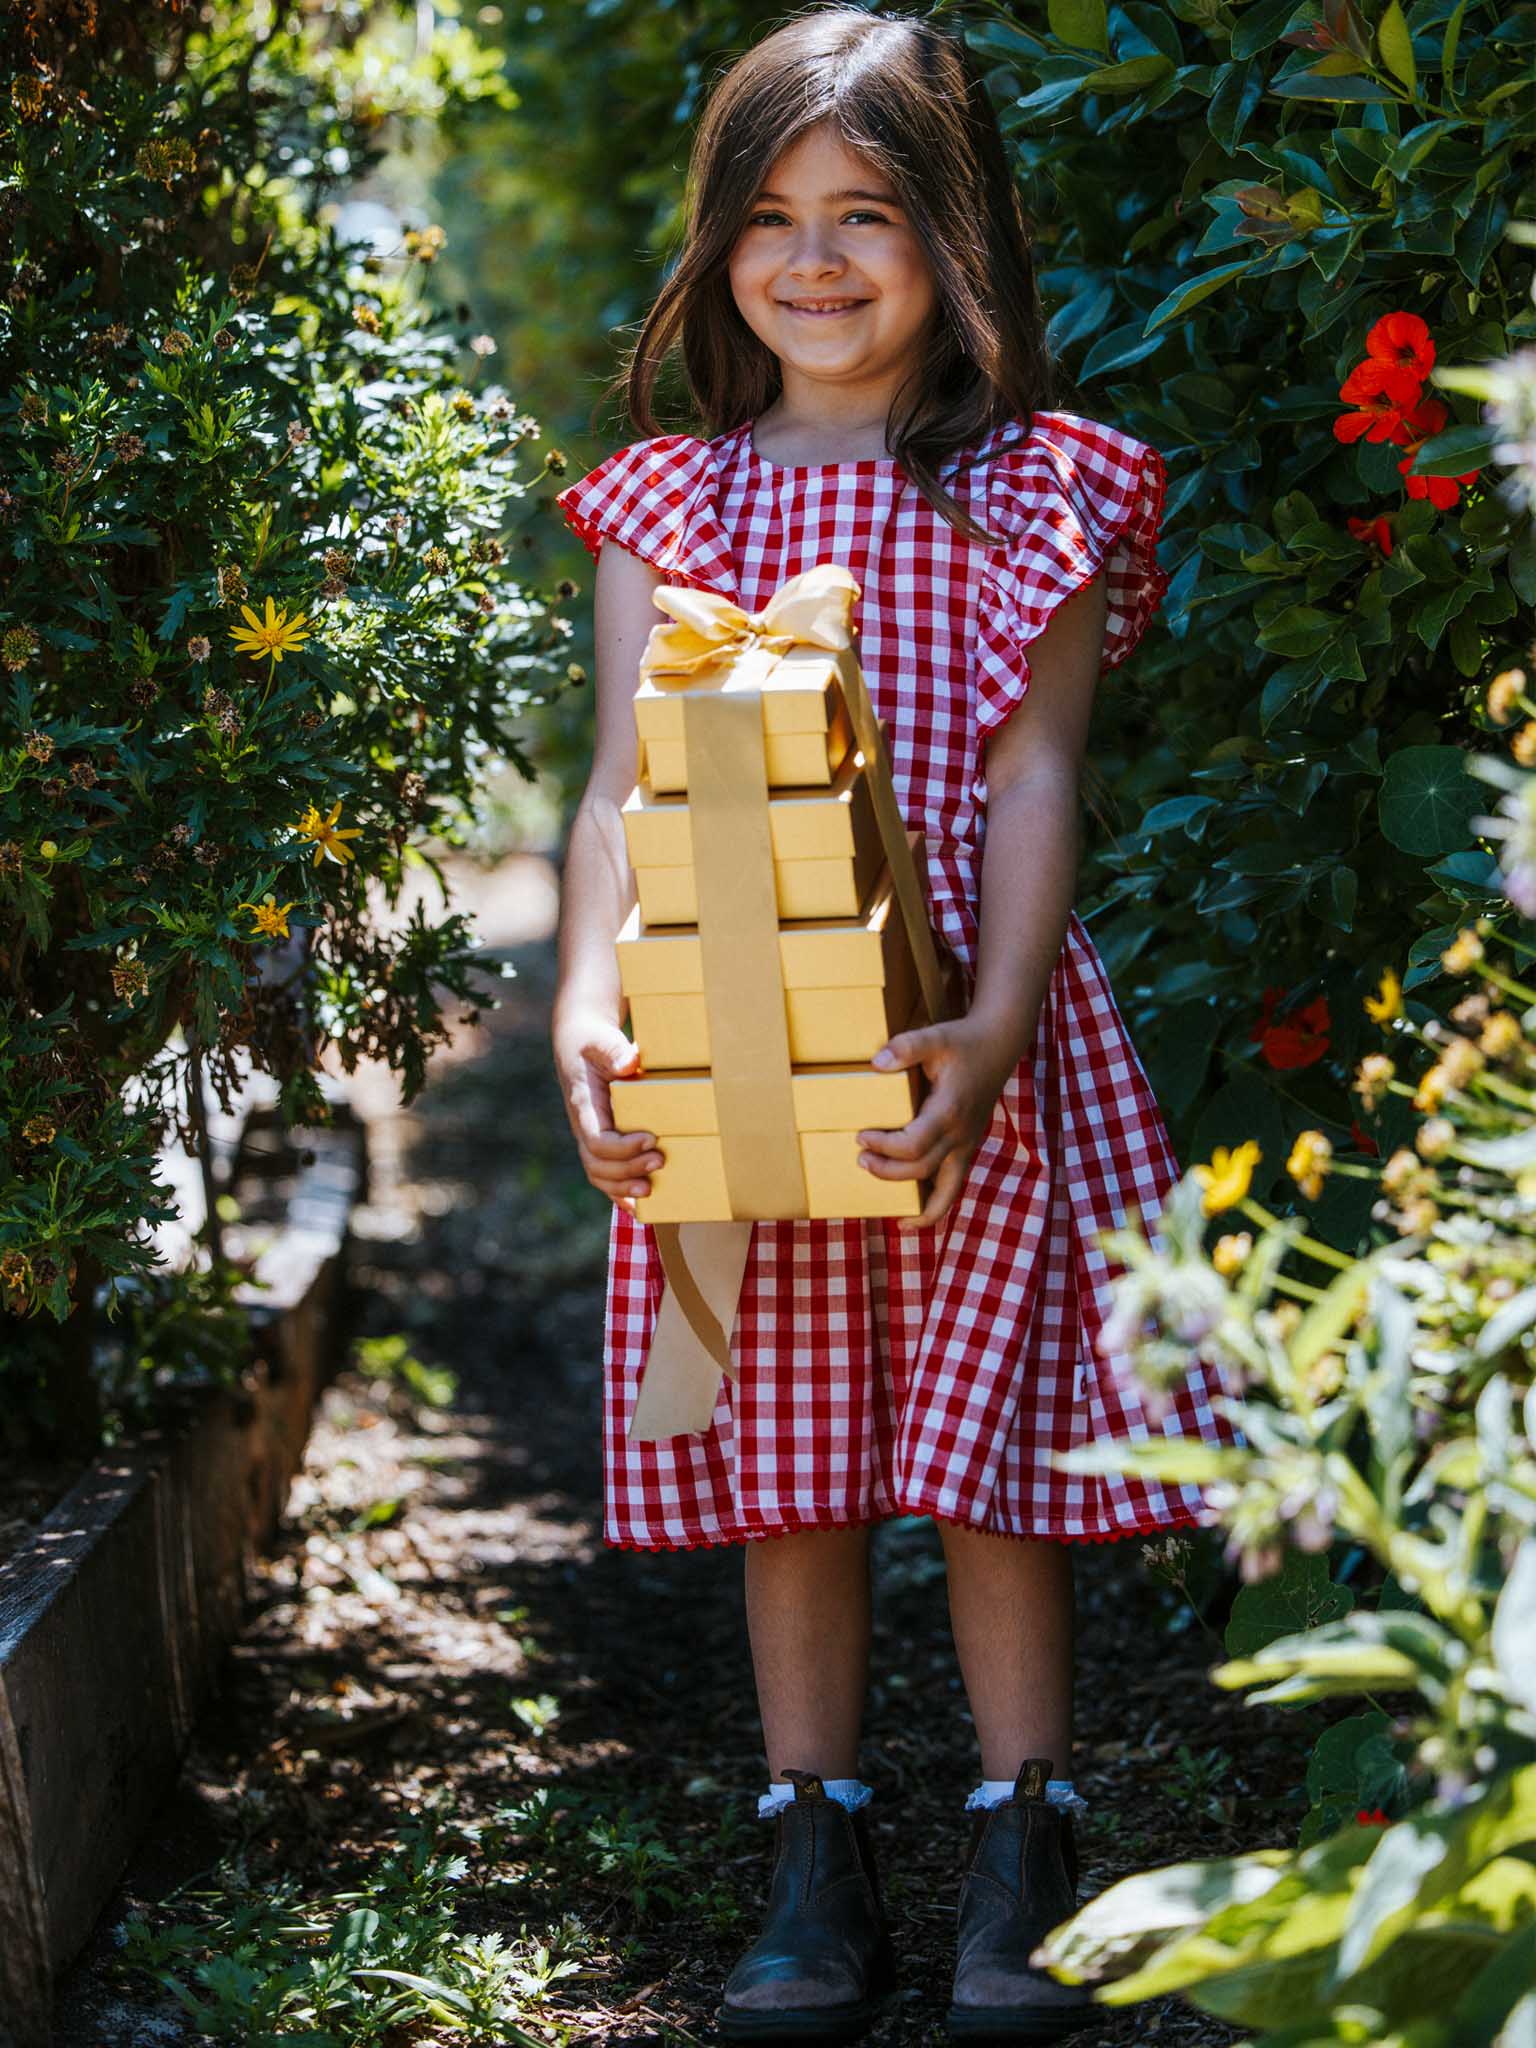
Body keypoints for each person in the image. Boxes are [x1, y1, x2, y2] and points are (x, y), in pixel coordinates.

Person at [550, 8, 1238, 2041]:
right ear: (715, 250)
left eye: (868, 213)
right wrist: (591, 999)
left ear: (957, 237)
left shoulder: (1041, 489)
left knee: (996, 1456)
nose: (817, 260)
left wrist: (1005, 1014)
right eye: (770, 218)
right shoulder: (675, 501)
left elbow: (1035, 779)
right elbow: (614, 787)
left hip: (963, 1049)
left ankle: (1026, 1843)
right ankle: (813, 1846)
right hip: (736, 1034)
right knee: (793, 1452)